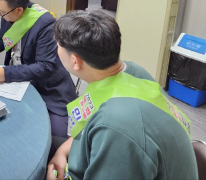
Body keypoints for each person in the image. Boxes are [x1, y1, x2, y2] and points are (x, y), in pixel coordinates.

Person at [47, 11, 197, 180]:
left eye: (58, 45)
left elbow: (117, 137)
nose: (56, 49)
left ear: (75, 61)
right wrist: (63, 150)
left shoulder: (116, 126)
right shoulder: (132, 71)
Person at [0, 0, 76, 140]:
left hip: (47, 85)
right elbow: (2, 41)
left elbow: (45, 67)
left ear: (19, 10)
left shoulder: (46, 23)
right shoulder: (8, 13)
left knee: (55, 137)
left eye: (1, 11)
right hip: (17, 78)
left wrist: (7, 73)